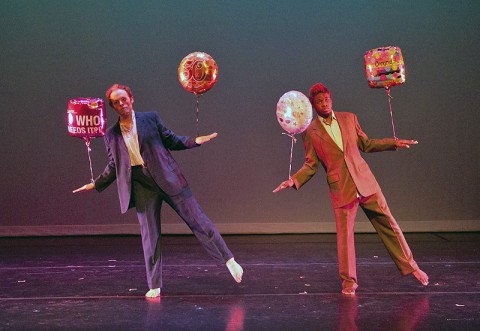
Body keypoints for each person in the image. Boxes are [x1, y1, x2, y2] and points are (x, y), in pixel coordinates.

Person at [73, 84, 243, 298]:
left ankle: (229, 260)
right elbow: (114, 166)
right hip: (141, 185)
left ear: (131, 99)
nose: (121, 104)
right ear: (113, 107)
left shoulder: (150, 118)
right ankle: (154, 284)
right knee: (150, 236)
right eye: (116, 102)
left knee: (198, 220)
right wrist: (95, 184)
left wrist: (194, 141)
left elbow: (171, 140)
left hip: (168, 177)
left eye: (123, 99)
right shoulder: (111, 134)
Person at [273, 83, 428, 296]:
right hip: (341, 188)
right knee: (345, 238)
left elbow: (366, 144)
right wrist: (293, 180)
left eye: (326, 99)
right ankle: (349, 282)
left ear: (331, 99)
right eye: (319, 102)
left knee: (389, 224)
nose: (324, 104)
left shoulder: (349, 118)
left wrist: (392, 143)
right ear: (313, 105)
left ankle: (412, 266)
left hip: (365, 181)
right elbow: (311, 165)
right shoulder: (310, 132)